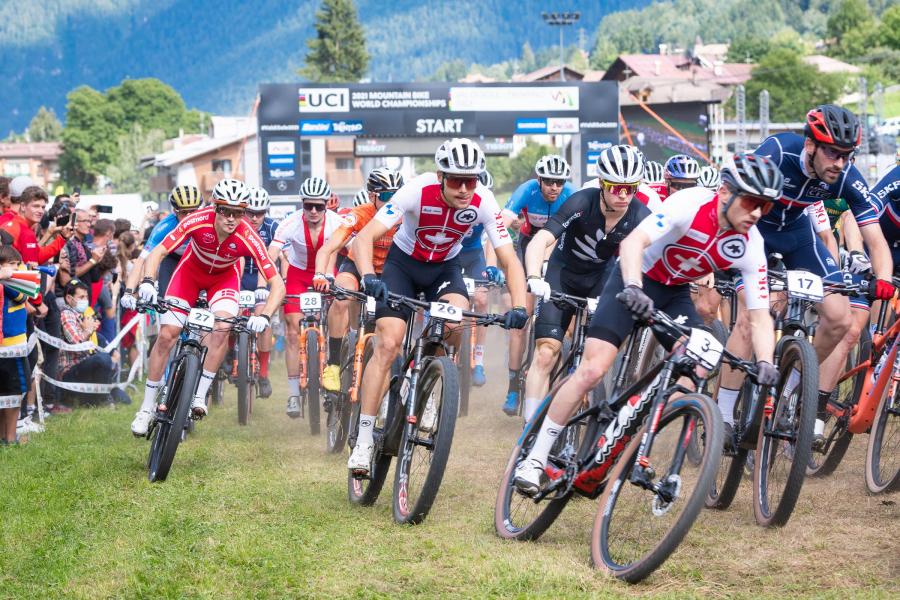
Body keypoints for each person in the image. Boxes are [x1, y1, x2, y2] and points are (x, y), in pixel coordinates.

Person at [514, 153, 783, 495]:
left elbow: (759, 316)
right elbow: (633, 243)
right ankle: (534, 458)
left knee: (696, 367)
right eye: (751, 202)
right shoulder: (689, 204)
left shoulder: (751, 244)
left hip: (674, 293)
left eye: (766, 207)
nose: (757, 213)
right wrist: (632, 286)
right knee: (593, 370)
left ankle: (636, 437)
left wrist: (765, 363)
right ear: (726, 192)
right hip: (635, 280)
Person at [346, 137, 529, 476]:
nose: (463, 189)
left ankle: (430, 384)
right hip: (403, 266)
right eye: (456, 180)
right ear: (440, 176)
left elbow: (508, 258)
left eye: (470, 180)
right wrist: (370, 276)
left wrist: (520, 306)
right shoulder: (416, 190)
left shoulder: (484, 201)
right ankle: (364, 439)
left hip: (444, 269)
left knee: (455, 319)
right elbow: (364, 237)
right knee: (388, 343)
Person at [722, 105, 895, 449]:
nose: (839, 163)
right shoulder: (777, 151)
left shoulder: (845, 177)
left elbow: (874, 237)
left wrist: (884, 280)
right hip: (755, 230)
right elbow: (733, 197)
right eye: (832, 153)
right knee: (750, 315)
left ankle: (793, 383)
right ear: (811, 145)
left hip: (798, 236)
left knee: (839, 317)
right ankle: (723, 416)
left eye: (847, 155)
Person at [128, 179, 285, 436]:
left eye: (239, 212)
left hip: (224, 279)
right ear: (215, 207)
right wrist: (146, 282)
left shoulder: (248, 235)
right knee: (168, 334)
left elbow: (277, 285)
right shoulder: (197, 220)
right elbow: (158, 252)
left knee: (222, 328)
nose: (232, 218)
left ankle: (199, 395)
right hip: (189, 274)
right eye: (226, 211)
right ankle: (146, 408)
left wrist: (265, 315)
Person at [521, 145, 651, 421]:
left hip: (601, 280)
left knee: (598, 357)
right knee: (546, 352)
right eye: (617, 188)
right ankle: (526, 433)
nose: (624, 195)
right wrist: (534, 276)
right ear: (603, 184)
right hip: (562, 274)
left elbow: (660, 253)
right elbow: (542, 239)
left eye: (631, 188)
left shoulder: (640, 215)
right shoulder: (582, 202)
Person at [312, 167, 404, 393]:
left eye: (396, 195)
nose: (392, 201)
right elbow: (328, 247)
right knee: (341, 296)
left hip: (391, 272)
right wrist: (320, 274)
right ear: (372, 195)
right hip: (356, 267)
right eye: (385, 196)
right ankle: (333, 364)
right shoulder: (360, 214)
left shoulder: (407, 214)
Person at [500, 154, 577, 414]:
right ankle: (512, 386)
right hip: (527, 246)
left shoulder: (571, 194)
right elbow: (503, 221)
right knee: (521, 321)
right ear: (539, 180)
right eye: (549, 182)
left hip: (558, 251)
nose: (554, 187)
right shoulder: (527, 190)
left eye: (559, 182)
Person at [267, 176, 343, 417]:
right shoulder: (289, 224)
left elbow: (354, 249)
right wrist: (270, 280)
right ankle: (292, 394)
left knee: (337, 320)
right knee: (291, 332)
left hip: (328, 274)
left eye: (318, 206)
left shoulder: (337, 222)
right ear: (302, 204)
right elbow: (272, 253)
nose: (313, 211)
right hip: (299, 276)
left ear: (326, 205)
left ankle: (333, 367)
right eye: (308, 206)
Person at [58, 278, 131, 406]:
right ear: (69, 298)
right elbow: (77, 343)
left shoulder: (84, 314)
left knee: (124, 399)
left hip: (85, 367)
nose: (85, 300)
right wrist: (88, 330)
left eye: (86, 296)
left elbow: (95, 343)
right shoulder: (66, 314)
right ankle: (101, 400)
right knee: (102, 359)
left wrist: (90, 330)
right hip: (70, 372)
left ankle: (99, 397)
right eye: (81, 297)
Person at [125, 185, 204, 297]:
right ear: (175, 211)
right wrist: (128, 292)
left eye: (193, 211)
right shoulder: (164, 227)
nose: (188, 217)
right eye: (184, 212)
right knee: (165, 298)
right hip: (172, 259)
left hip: (200, 259)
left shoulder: (208, 220)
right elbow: (141, 260)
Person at [242, 186, 279, 398]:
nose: (255, 217)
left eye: (260, 213)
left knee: (263, 322)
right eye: (250, 212)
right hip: (239, 278)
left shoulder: (273, 227)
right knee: (231, 317)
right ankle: (232, 355)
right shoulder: (237, 226)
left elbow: (283, 255)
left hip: (263, 280)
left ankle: (263, 374)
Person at [0, 246, 31, 444]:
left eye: (18, 264)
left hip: (16, 344)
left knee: (13, 393)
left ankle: (7, 437)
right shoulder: (8, 282)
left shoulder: (10, 281)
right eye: (12, 264)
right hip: (9, 346)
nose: (16, 269)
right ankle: (8, 438)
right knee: (8, 393)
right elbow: (22, 296)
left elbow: (29, 294)